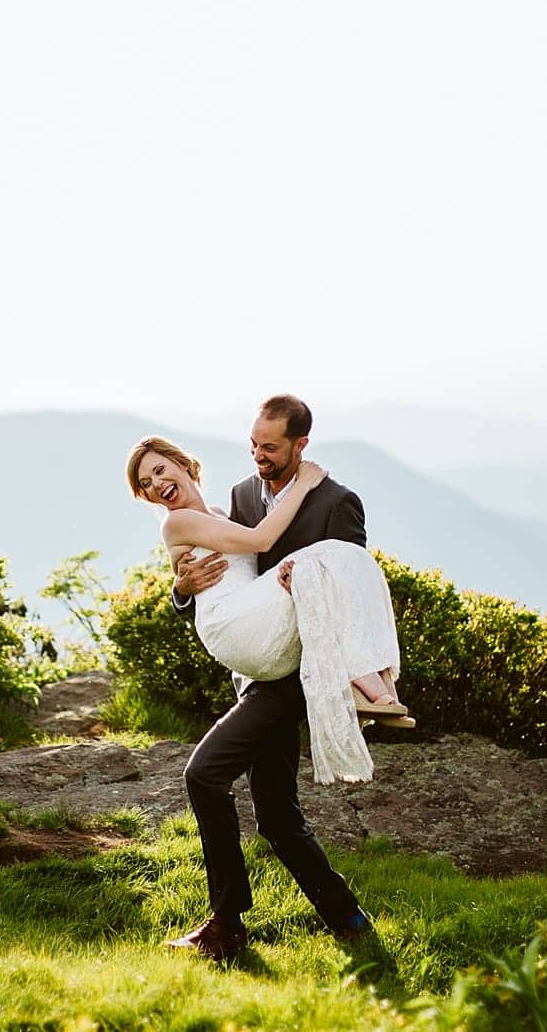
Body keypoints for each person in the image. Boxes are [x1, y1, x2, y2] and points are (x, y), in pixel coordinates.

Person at [124, 394, 406, 960]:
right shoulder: (240, 499)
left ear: (300, 446)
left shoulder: (336, 502)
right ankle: (348, 919)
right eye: (253, 444)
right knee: (276, 814)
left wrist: (299, 587)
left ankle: (225, 924)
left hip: (291, 674)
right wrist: (181, 588)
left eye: (270, 447)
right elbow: (224, 570)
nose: (258, 455)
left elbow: (342, 578)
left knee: (204, 775)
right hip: (253, 665)